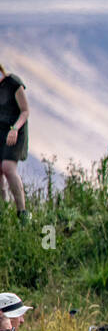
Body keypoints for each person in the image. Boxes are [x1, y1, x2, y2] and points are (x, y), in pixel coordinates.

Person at [0, 62, 30, 220]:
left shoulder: (12, 82)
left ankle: (22, 213)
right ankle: (3, 211)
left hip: (15, 130)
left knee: (7, 167)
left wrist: (15, 129)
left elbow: (25, 111)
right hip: (0, 132)